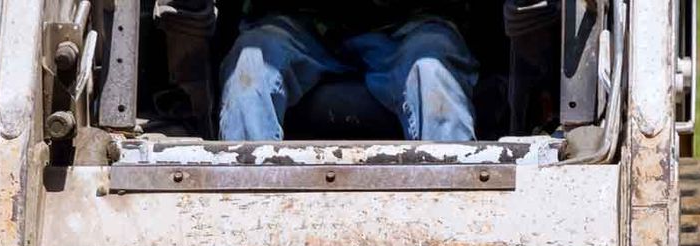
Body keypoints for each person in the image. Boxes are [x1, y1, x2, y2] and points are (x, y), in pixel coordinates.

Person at [154, 0, 482, 142]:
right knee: (250, 67)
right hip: (298, 25)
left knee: (432, 73)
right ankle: (247, 214)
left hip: (409, 28)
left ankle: (453, 220)